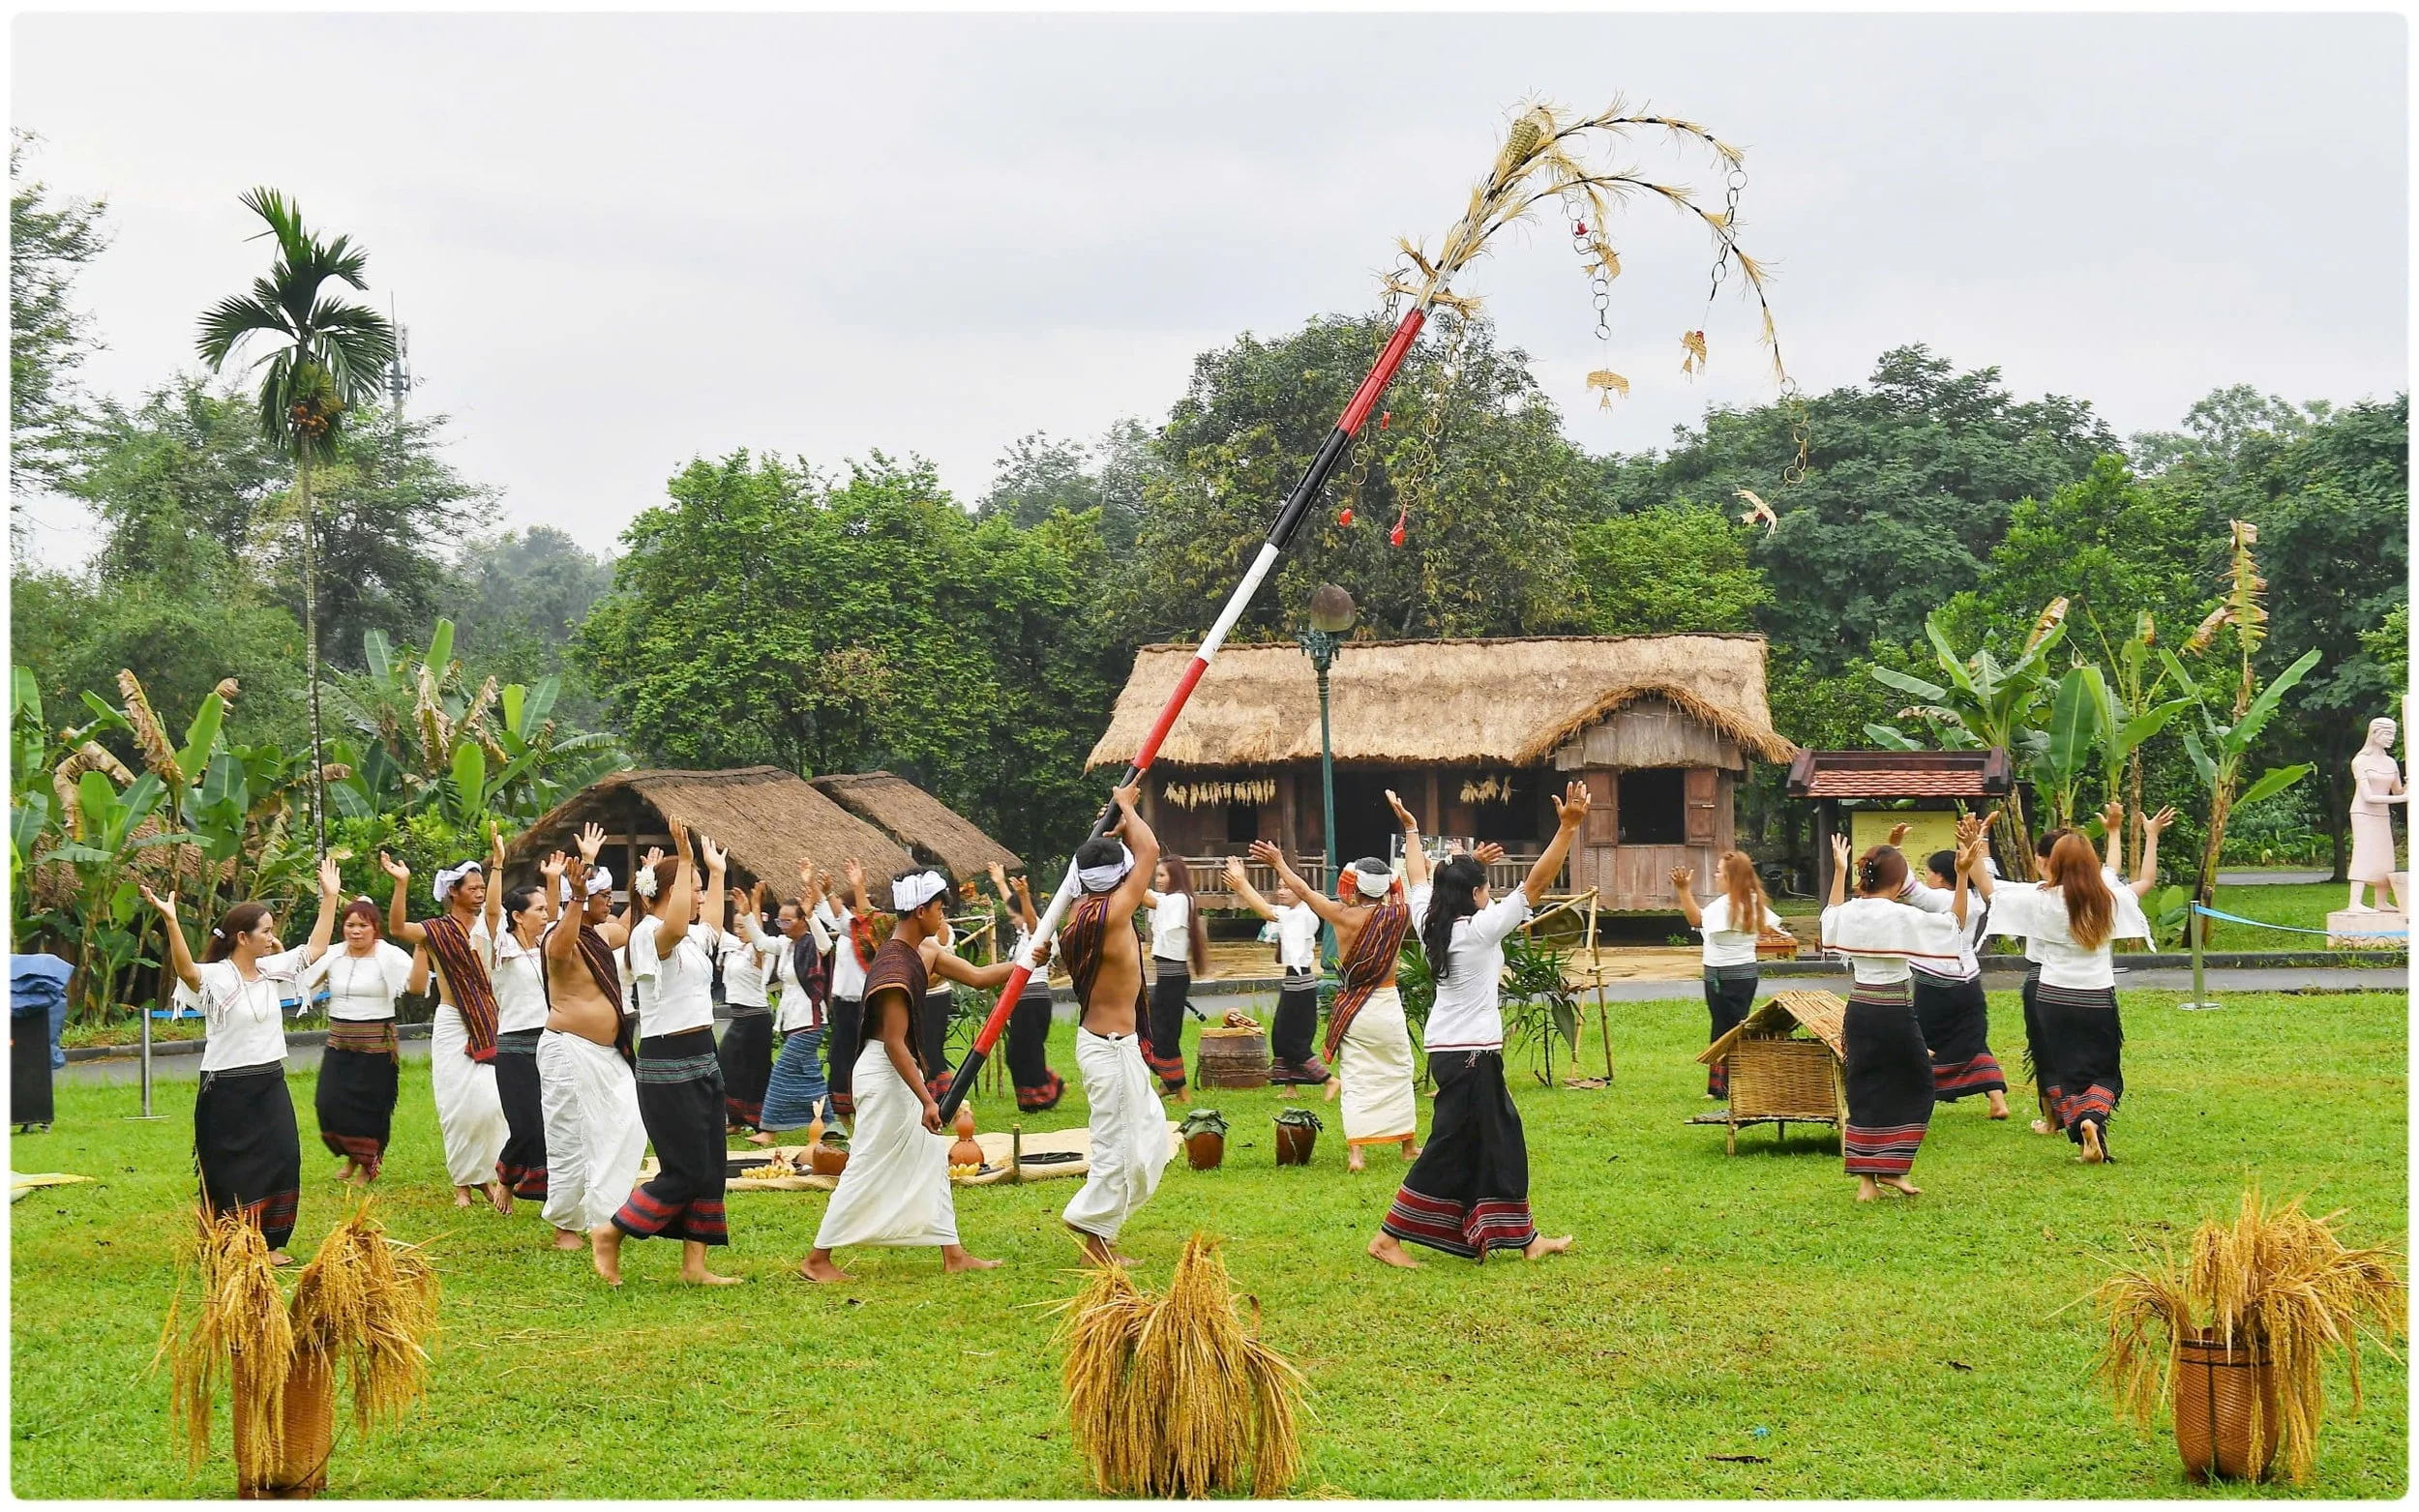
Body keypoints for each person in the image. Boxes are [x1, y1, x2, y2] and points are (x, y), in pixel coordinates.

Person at [1371, 784, 1588, 1268]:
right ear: (1473, 894)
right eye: (1487, 887)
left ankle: (1524, 1238)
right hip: (1469, 1054)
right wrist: (1568, 827)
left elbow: (1416, 874)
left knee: (1501, 1140)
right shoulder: (1479, 929)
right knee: (1451, 1146)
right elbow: (1535, 884)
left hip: (1458, 1052)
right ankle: (1388, 1238)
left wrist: (1410, 829)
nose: (1493, 894)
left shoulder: (1431, 919)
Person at [799, 869, 1026, 1283]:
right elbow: (894, 1043)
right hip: (886, 1077)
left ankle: (953, 1254)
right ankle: (817, 1260)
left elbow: (977, 978)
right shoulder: (894, 967)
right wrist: (926, 1099)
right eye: (940, 907)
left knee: (929, 1159)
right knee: (866, 1162)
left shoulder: (921, 950)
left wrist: (1028, 961)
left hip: (897, 1074)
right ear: (921, 910)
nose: (944, 915)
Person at [141, 858, 343, 1262]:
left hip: (270, 1081)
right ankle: (234, 1241)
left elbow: (316, 948)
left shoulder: (271, 969)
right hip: (227, 1087)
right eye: (266, 931)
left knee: (284, 1155)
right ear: (242, 937)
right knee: (232, 1168)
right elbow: (186, 969)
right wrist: (172, 922)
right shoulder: (216, 975)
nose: (272, 937)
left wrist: (330, 897)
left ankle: (268, 1243)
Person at [594, 818, 742, 1286]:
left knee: (711, 1165)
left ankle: (694, 1267)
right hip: (667, 1062)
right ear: (667, 890)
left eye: (699, 889)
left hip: (702, 1054)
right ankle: (610, 1232)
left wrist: (715, 873)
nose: (698, 897)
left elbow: (711, 927)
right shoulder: (648, 935)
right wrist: (685, 855)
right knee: (685, 1168)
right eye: (692, 887)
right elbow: (678, 922)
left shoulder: (694, 936)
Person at [1820, 833, 1981, 1201]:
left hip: (1858, 1011)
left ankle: (1868, 1182)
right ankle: (1893, 1167)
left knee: (1866, 1086)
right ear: (1898, 882)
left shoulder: (1850, 912)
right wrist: (1963, 875)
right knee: (1918, 1085)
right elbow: (1954, 925)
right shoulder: (1901, 915)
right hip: (1893, 1011)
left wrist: (1839, 872)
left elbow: (1829, 917)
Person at [1978, 827, 2152, 1166]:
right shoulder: (2108, 898)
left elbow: (1991, 892)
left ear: (2052, 863)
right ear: (2092, 863)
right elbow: (2143, 885)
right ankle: (2092, 1119)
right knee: (2105, 1072)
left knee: (2065, 1070)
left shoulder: (2041, 898)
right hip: (2096, 997)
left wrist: (1971, 855)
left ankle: (2086, 1137)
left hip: (2051, 996)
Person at [1247, 837, 1419, 1173]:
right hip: (1385, 1004)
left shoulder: (1341, 914)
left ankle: (1357, 1154)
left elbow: (1305, 891)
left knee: (1354, 1077)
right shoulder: (1399, 914)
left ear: (1355, 885)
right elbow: (1416, 883)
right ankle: (1408, 1146)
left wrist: (1279, 862)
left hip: (1353, 1008)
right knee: (1398, 1070)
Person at [1057, 785, 1174, 1266]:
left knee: (1148, 1137)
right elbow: (1151, 851)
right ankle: (1094, 1238)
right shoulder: (1110, 914)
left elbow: (1132, 857)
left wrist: (1117, 832)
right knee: (1120, 1146)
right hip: (1108, 1046)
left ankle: (1098, 1230)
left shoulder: (1083, 911)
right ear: (1117, 879)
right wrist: (1125, 802)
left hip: (1111, 1045)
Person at [539, 826, 650, 1283]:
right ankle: (566, 1223)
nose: (609, 900)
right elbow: (560, 951)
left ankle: (604, 1211)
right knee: (571, 1137)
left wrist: (645, 882)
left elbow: (630, 926)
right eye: (603, 894)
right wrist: (576, 899)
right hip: (569, 1049)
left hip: (607, 1055)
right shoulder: (558, 934)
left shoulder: (602, 933)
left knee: (624, 1126)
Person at [383, 827, 513, 1212]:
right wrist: (402, 885)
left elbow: (494, 906)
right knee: (456, 1107)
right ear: (452, 892)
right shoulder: (436, 931)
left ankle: (488, 1176)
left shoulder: (494, 926)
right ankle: (463, 1183)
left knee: (491, 1104)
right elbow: (396, 929)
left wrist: (500, 863)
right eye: (471, 886)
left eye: (481, 886)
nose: (478, 891)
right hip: (453, 1022)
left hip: (490, 1020)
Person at [301, 894, 414, 1184]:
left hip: (376, 1046)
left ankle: (366, 1164)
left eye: (363, 925)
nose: (356, 931)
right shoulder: (334, 954)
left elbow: (417, 982)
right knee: (327, 1103)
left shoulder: (389, 956)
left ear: (375, 928)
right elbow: (304, 978)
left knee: (369, 1107)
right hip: (340, 1043)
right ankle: (352, 1155)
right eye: (350, 925)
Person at [1902, 828, 2011, 1119]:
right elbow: (1985, 870)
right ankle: (1997, 1101)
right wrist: (1977, 841)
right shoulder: (1975, 900)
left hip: (1935, 984)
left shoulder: (1937, 900)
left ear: (1940, 876)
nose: (1927, 878)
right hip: (1969, 981)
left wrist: (1895, 846)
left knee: (1922, 1042)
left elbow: (1903, 883)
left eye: (1929, 873)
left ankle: (1914, 1100)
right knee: (1973, 1040)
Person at [1670, 852, 1785, 1101]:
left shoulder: (1728, 905)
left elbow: (1695, 919)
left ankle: (1725, 1086)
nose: (1715, 875)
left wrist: (1683, 890)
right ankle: (1721, 1085)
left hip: (1726, 976)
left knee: (1726, 1028)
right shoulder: (1750, 901)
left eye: (1719, 872)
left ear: (1731, 877)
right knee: (1727, 1025)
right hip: (1739, 975)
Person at [490, 867, 563, 1237]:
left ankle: (550, 1195)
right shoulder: (498, 947)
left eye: (546, 909)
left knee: (552, 1123)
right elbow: (490, 914)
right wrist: (500, 865)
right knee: (526, 1125)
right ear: (517, 916)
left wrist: (555, 878)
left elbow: (565, 920)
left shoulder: (549, 945)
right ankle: (506, 1175)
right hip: (515, 1047)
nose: (545, 914)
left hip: (550, 1041)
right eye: (538, 909)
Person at [1224, 856, 1330, 1093]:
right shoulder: (1292, 912)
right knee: (1281, 1035)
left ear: (1300, 891)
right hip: (1293, 980)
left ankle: (1329, 1080)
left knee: (1295, 1040)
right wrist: (1243, 885)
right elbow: (1268, 909)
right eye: (1279, 887)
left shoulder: (1304, 915)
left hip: (1301, 983)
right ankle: (1290, 1087)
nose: (1281, 891)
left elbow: (1266, 911)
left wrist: (1242, 884)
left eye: (1287, 887)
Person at [752, 861, 835, 1142]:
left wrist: (812, 911)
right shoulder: (786, 946)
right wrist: (749, 910)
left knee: (783, 1071)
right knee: (811, 1075)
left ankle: (769, 1129)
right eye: (780, 921)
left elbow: (827, 945)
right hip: (791, 1021)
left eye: (788, 920)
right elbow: (762, 943)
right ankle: (830, 1123)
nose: (783, 925)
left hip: (810, 1022)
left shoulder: (812, 943)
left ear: (802, 920)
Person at [990, 861, 1065, 1112]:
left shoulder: (1041, 931)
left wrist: (1023, 895)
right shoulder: (1023, 932)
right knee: (1018, 1053)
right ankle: (1037, 1095)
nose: (1012, 922)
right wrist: (1000, 882)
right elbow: (1017, 911)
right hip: (1021, 1002)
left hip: (1033, 1001)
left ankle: (1045, 1094)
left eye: (1014, 917)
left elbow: (1031, 922)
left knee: (1026, 1052)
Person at [1138, 855, 1209, 1102]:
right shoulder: (1175, 900)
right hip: (1170, 978)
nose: (1157, 880)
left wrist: (1128, 869)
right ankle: (1172, 1085)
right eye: (1156, 875)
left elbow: (1143, 896)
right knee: (1162, 1033)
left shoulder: (1179, 900)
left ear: (1175, 877)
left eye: (1162, 875)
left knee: (1162, 1034)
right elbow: (1147, 896)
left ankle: (1179, 1088)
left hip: (1173, 978)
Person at [715, 880, 781, 1136]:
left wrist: (754, 904)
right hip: (739, 1017)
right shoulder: (734, 949)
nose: (740, 930)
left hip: (756, 1018)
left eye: (744, 926)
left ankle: (757, 1120)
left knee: (755, 1070)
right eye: (738, 926)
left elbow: (759, 938)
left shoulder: (759, 951)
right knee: (727, 1064)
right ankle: (735, 1118)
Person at [816, 861, 873, 1119]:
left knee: (866, 1055)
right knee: (841, 1055)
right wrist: (821, 890)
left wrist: (855, 887)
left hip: (866, 1004)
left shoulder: (873, 934)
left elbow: (862, 918)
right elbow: (832, 913)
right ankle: (842, 1112)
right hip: (844, 1004)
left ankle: (866, 1107)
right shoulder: (848, 929)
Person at [2347, 716, 2406, 913]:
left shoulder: (2390, 762)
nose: (2391, 738)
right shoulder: (2360, 761)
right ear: (2374, 734)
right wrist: (2404, 799)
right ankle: (2354, 902)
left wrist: (2409, 786)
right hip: (2363, 813)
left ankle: (2381, 901)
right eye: (2387, 733)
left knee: (2385, 856)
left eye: (2394, 734)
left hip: (2382, 814)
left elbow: (2398, 791)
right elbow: (2370, 796)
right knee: (2364, 853)